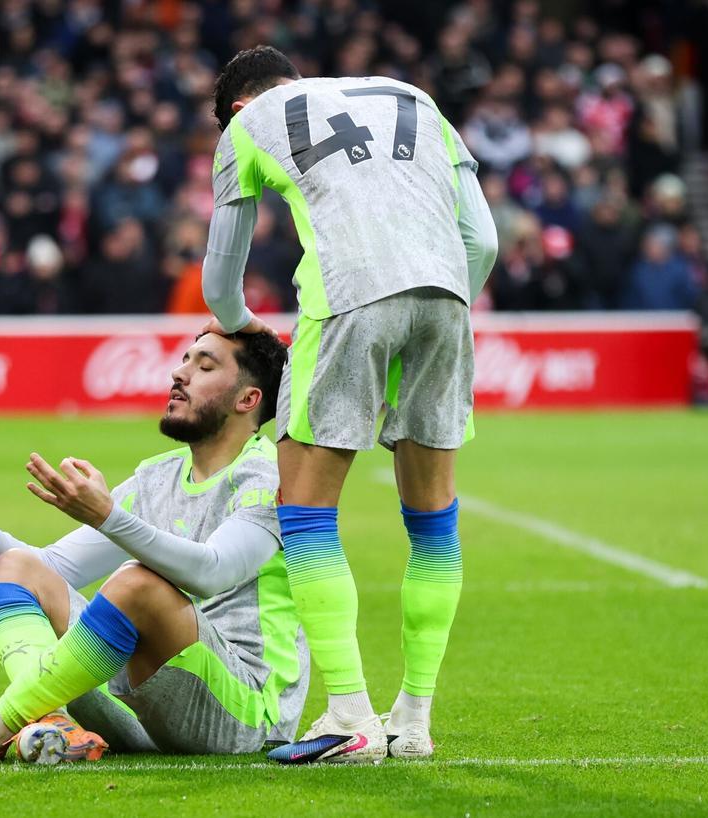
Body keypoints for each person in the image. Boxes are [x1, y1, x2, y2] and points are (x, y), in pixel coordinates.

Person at [200, 46, 498, 764]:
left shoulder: (248, 125)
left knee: (305, 513)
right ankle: (415, 719)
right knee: (433, 521)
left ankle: (349, 716)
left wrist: (246, 325)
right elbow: (482, 239)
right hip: (448, 296)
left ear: (238, 105)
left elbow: (220, 282)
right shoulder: (411, 92)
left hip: (346, 297)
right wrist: (443, 306)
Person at [0, 330, 309, 764]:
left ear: (247, 400)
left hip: (245, 716)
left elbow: (214, 574)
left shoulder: (268, 478)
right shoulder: (158, 476)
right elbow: (52, 568)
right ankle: (51, 723)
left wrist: (109, 517)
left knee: (137, 584)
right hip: (147, 714)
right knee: (13, 567)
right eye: (184, 359)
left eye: (204, 365)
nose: (179, 373)